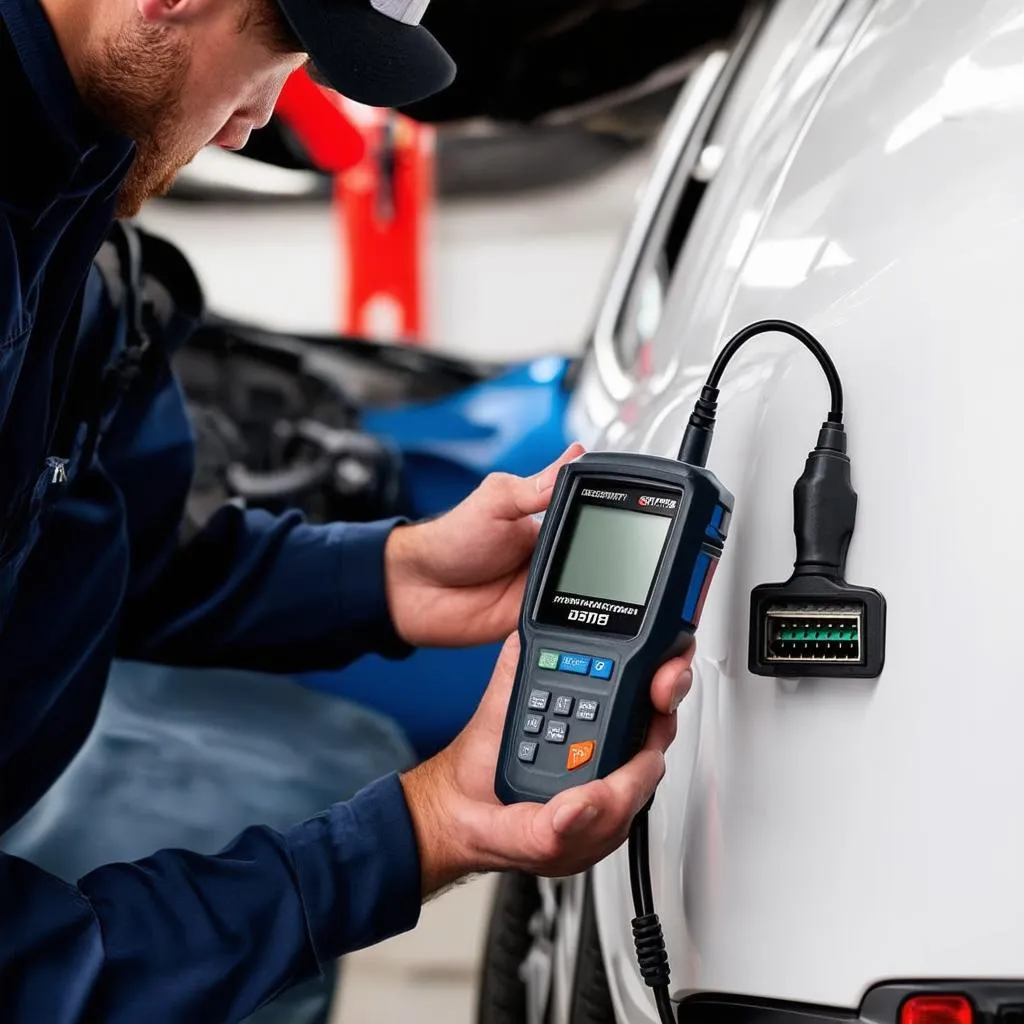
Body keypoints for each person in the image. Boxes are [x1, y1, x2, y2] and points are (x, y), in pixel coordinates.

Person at [0, 0, 696, 1019]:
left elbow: (104, 540)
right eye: (277, 52)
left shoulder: (68, 191)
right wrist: (417, 832)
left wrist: (386, 574)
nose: (258, 120)